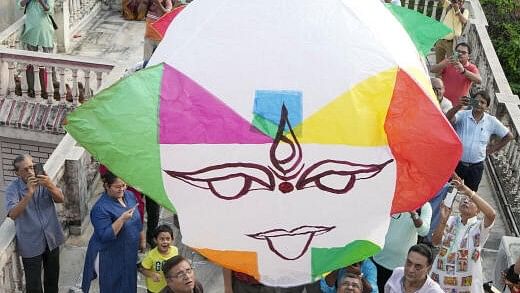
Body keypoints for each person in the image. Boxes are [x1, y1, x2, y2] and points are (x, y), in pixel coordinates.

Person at [4, 154, 64, 293]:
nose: (30, 171)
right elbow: (12, 214)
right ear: (17, 172)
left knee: (52, 280)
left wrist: (49, 184)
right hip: (31, 243)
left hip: (51, 237)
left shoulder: (44, 181)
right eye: (25, 169)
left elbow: (60, 199)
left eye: (31, 167)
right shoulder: (12, 189)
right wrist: (29, 193)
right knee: (34, 285)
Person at [430, 174, 496, 292]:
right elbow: (435, 242)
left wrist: (466, 190)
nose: (466, 200)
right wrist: (442, 221)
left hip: (465, 287)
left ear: (478, 211)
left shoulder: (479, 227)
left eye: (471, 201)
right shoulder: (450, 220)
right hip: (440, 280)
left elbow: (492, 214)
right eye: (464, 198)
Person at [81, 171, 145, 293]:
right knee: (113, 286)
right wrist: (121, 219)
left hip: (128, 250)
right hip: (109, 254)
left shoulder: (130, 195)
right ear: (107, 186)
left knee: (129, 283)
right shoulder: (100, 208)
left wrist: (142, 238)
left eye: (124, 185)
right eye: (117, 186)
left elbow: (137, 219)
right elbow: (106, 236)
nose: (122, 189)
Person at [446, 91, 513, 191]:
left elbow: (509, 136)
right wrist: (458, 106)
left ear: (487, 107)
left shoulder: (491, 121)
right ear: (471, 102)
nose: (479, 104)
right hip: (457, 164)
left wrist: (491, 150)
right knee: (448, 192)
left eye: (482, 102)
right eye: (476, 101)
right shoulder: (462, 115)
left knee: (470, 197)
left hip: (476, 167)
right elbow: (447, 119)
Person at [373, 203, 432, 292]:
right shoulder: (395, 196)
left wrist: (413, 214)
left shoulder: (424, 206)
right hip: (378, 258)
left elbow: (424, 231)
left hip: (402, 267)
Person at [18, 0, 55, 98]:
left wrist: (41, 1)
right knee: (31, 63)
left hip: (45, 32)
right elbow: (20, 5)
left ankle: (48, 89)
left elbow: (49, 9)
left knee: (48, 62)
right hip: (30, 33)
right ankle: (32, 88)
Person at [140, 225, 179, 293]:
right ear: (155, 240)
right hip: (155, 289)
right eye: (161, 239)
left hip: (170, 287)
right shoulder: (151, 255)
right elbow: (142, 269)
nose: (165, 242)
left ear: (172, 239)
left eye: (168, 239)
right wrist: (151, 274)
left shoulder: (175, 250)